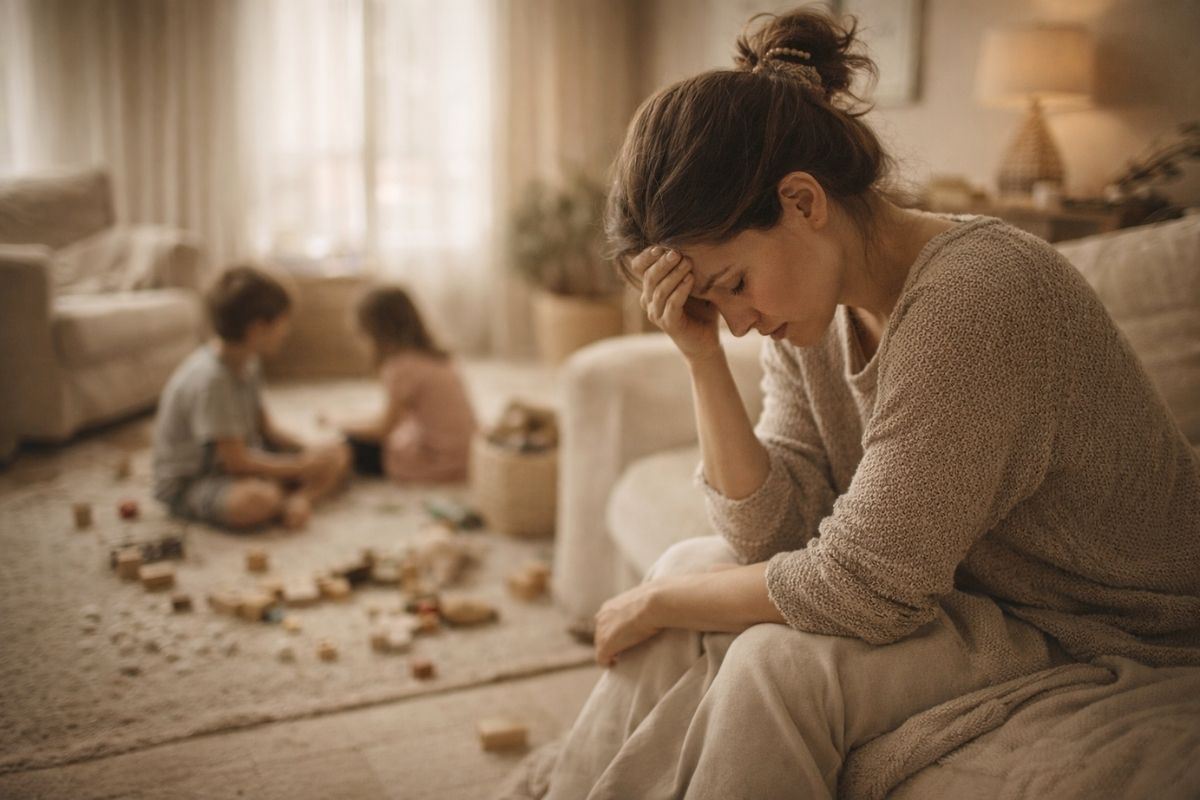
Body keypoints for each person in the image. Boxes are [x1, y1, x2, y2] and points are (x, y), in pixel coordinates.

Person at [542, 8, 1200, 799]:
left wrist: (656, 603)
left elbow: (860, 589)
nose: (741, 319)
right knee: (689, 567)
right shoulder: (811, 313)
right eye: (716, 304)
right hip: (970, 597)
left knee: (761, 659)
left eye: (734, 285)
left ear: (803, 201)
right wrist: (701, 354)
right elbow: (770, 535)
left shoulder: (980, 297)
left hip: (1092, 622)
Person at [152, 264, 350, 530]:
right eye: (283, 322)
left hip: (243, 461)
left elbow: (266, 428)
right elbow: (235, 461)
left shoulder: (248, 361)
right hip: (195, 480)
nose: (287, 330)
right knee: (255, 501)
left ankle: (299, 498)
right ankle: (286, 495)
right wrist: (298, 467)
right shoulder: (212, 380)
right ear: (258, 329)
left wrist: (308, 450)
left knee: (336, 450)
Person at [333, 284, 477, 483]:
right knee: (398, 433)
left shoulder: (401, 366)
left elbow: (383, 428)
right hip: (468, 455)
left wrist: (340, 423)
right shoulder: (439, 357)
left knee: (348, 444)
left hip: (437, 462)